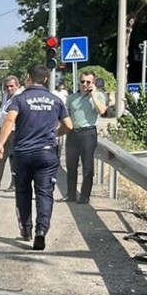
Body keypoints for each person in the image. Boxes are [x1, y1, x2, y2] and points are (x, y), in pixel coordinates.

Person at [0, 64, 73, 251]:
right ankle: (41, 231)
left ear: (28, 77)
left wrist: (0, 146)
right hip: (46, 153)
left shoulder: (19, 99)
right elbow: (69, 126)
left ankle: (26, 230)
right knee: (44, 193)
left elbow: (10, 120)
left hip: (22, 153)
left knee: (23, 191)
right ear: (45, 79)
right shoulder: (56, 100)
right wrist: (54, 134)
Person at [63, 74, 108, 203]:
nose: (85, 84)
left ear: (93, 83)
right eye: (82, 81)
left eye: (88, 82)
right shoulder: (72, 98)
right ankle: (70, 194)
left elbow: (102, 111)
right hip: (73, 133)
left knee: (87, 166)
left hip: (88, 133)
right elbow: (67, 116)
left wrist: (93, 95)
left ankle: (84, 196)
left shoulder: (98, 96)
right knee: (71, 166)